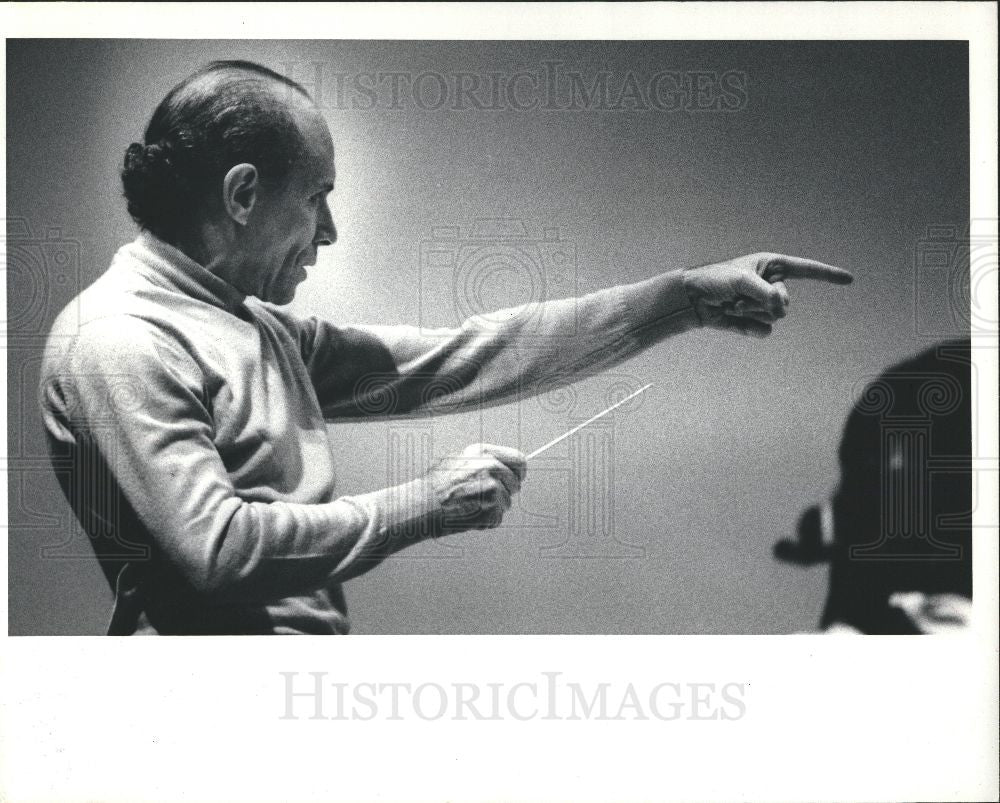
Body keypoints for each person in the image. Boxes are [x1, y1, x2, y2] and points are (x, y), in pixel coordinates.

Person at [39, 60, 853, 635]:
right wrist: (423, 504)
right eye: (316, 196)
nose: (329, 229)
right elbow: (217, 550)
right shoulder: (119, 337)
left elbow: (468, 354)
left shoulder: (251, 324)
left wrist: (684, 298)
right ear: (244, 193)